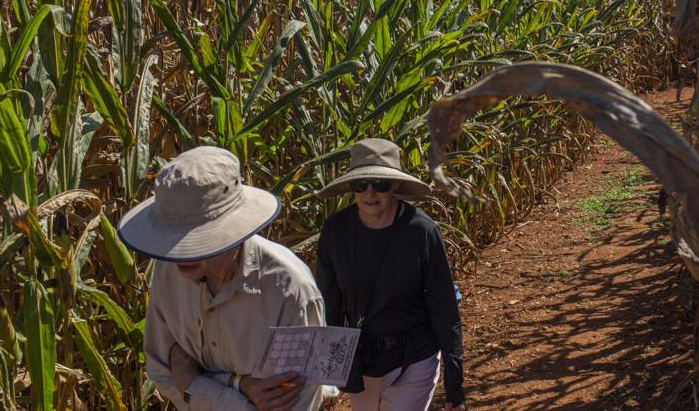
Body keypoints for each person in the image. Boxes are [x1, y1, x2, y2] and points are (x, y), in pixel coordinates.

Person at [118, 145, 335, 410]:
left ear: (234, 232)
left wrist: (195, 383)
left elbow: (298, 402)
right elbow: (162, 374)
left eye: (195, 242)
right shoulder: (167, 271)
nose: (179, 255)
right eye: (172, 240)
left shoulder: (289, 290)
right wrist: (239, 386)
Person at [314, 138, 467, 411]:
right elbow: (329, 305)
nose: (370, 193)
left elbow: (443, 306)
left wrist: (454, 384)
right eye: (361, 185)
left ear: (394, 185)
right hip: (363, 357)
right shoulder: (335, 231)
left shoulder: (421, 231)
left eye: (380, 184)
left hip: (415, 355)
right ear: (352, 187)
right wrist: (328, 378)